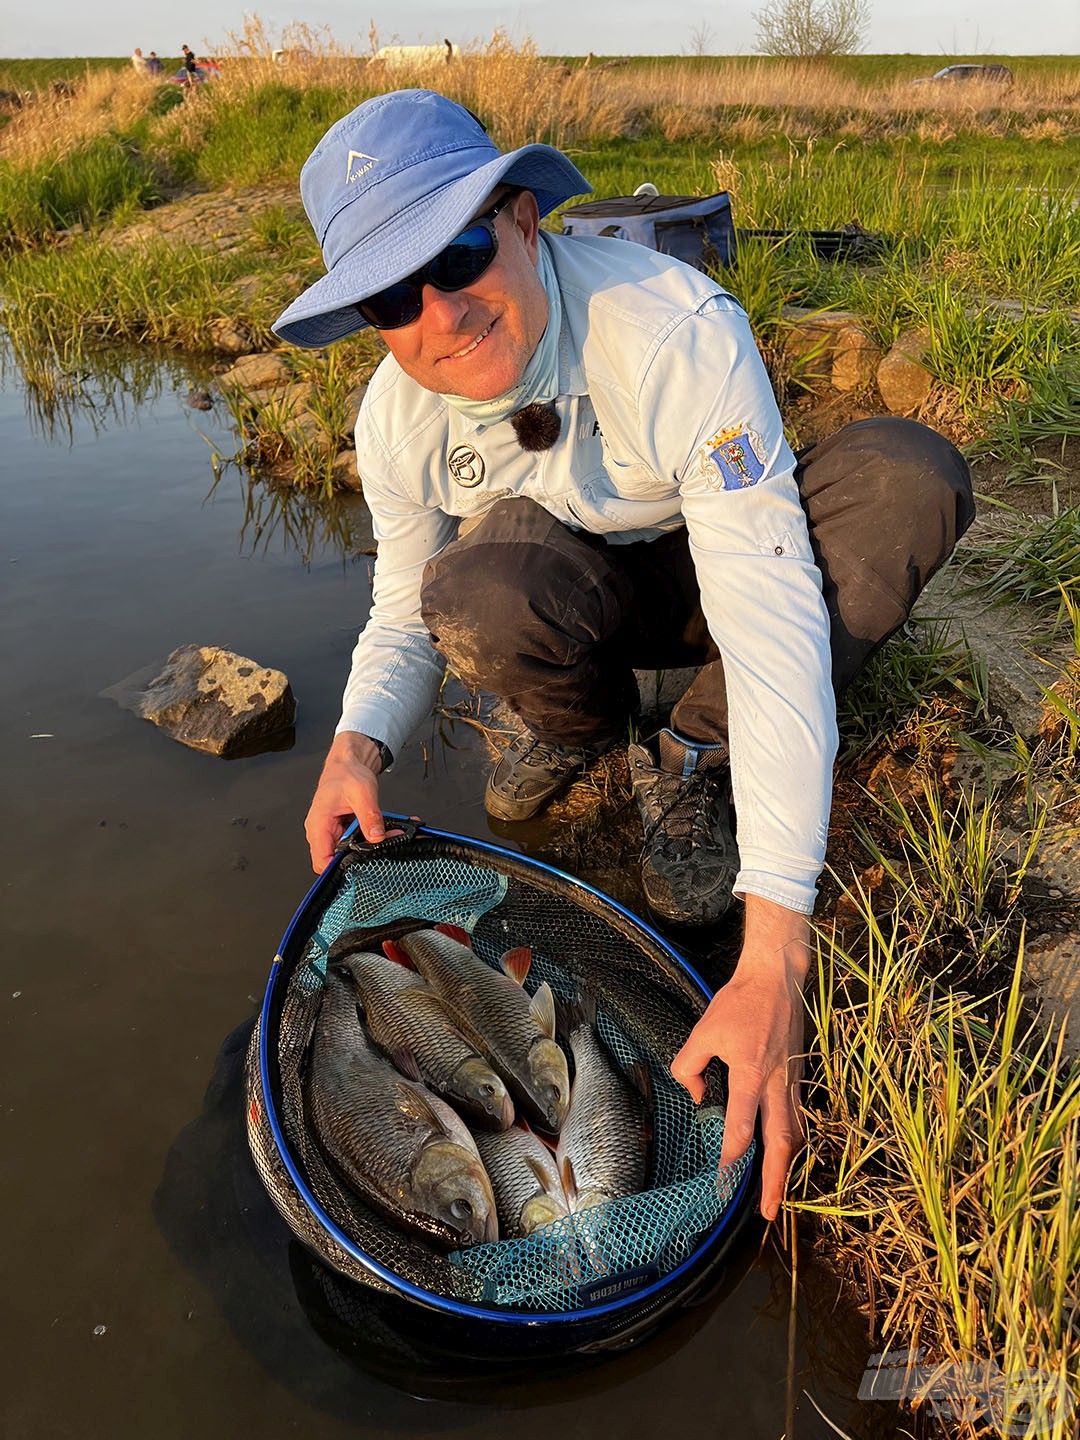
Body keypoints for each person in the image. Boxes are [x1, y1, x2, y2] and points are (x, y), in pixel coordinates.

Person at [272, 90, 974, 1220]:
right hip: (582, 591)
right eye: (390, 297)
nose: (439, 315)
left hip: (729, 563)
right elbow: (403, 611)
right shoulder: (394, 420)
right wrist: (356, 745)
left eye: (456, 255)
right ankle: (575, 730)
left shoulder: (675, 329)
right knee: (472, 589)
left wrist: (775, 950)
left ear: (523, 220)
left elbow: (770, 611)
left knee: (908, 479)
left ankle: (693, 755)